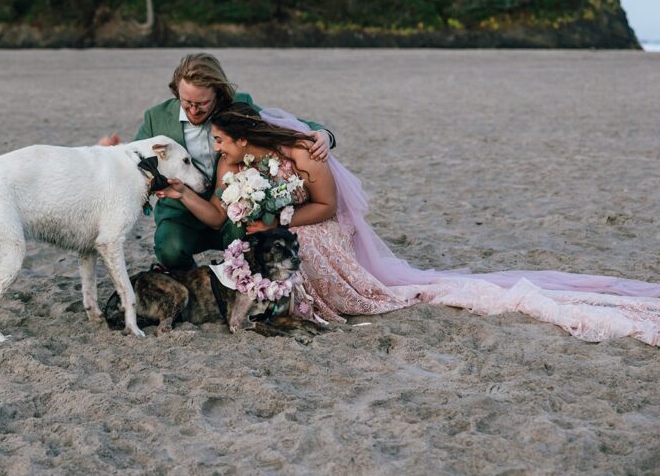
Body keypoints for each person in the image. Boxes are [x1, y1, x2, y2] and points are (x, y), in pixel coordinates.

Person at [157, 101, 660, 346]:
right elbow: (225, 213)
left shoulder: (300, 151)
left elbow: (327, 207)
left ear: (242, 138)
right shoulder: (232, 166)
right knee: (267, 256)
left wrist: (280, 217)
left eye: (221, 141)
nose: (215, 148)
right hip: (268, 233)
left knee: (300, 247)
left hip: (312, 224)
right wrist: (187, 194)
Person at [99, 53, 335, 271]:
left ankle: (237, 278)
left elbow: (279, 125)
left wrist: (323, 134)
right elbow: (133, 159)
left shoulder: (237, 105)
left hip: (233, 211)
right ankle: (193, 281)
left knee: (246, 234)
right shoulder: (156, 118)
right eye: (186, 102)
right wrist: (108, 154)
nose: (193, 110)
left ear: (218, 94)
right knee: (168, 249)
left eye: (202, 103)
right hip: (180, 212)